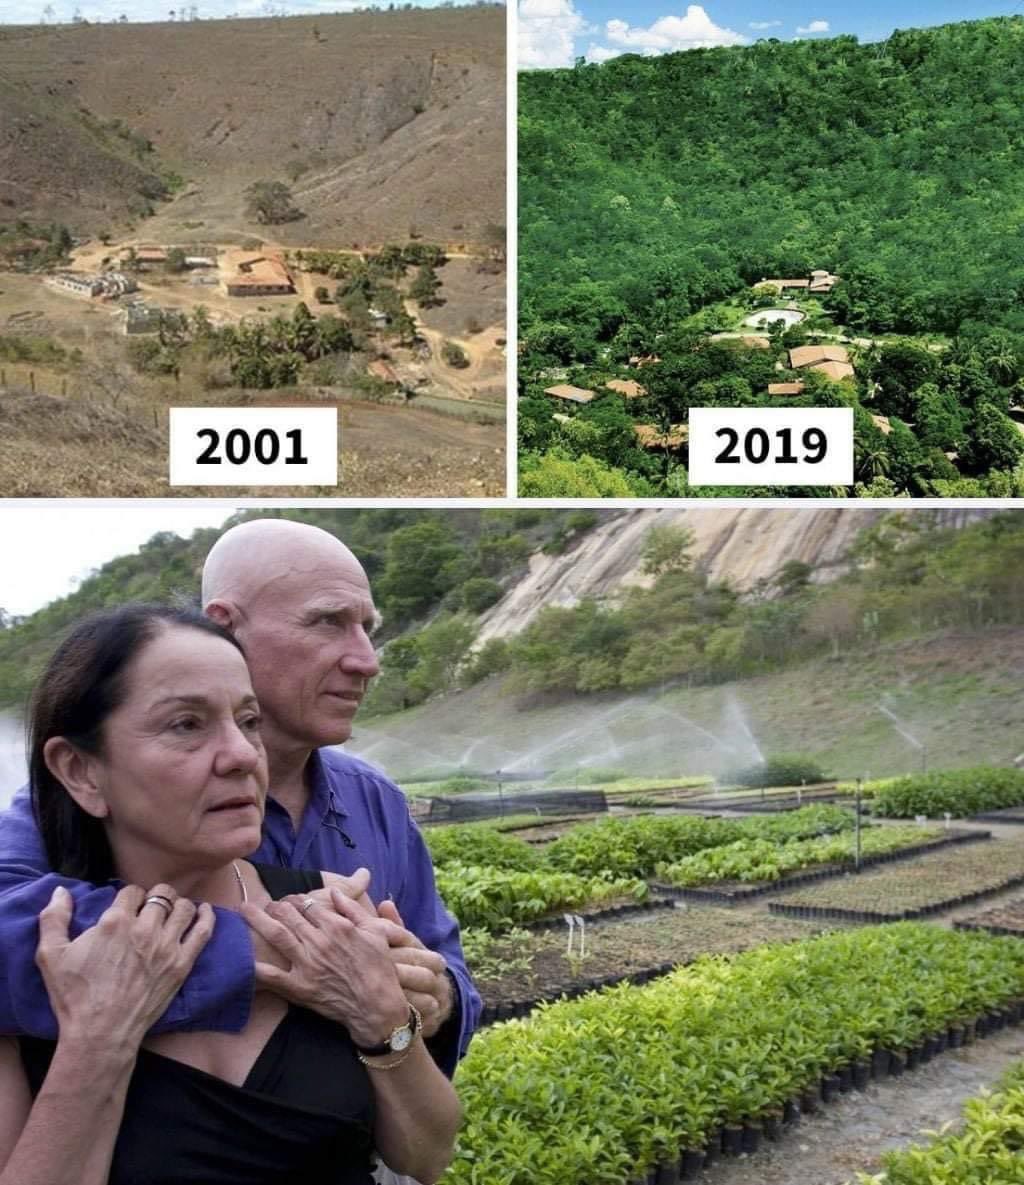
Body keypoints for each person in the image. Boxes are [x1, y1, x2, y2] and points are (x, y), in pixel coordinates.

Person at [0, 518, 480, 1081]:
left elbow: (449, 970)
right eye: (327, 622)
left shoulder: (376, 800)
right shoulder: (93, 794)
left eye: (367, 628)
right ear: (224, 628)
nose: (366, 659)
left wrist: (436, 995)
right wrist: (280, 946)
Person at [0, 604, 460, 1185]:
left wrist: (386, 1022)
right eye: (186, 725)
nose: (243, 755)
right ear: (81, 772)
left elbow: (427, 1155)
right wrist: (98, 1045)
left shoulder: (332, 911)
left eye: (248, 722)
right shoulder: (34, 969)